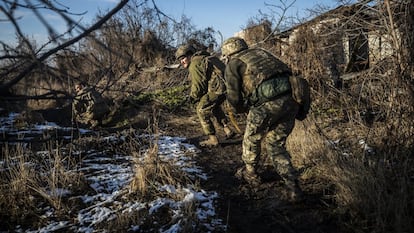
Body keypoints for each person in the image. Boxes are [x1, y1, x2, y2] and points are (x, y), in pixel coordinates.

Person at [221, 37, 302, 200]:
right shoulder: (262, 53)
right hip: (292, 99)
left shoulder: (233, 63)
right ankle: (293, 187)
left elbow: (234, 97)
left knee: (251, 138)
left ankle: (251, 173)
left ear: (228, 53)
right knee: (275, 143)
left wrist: (240, 109)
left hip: (267, 104)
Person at [175, 44, 235, 147]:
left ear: (190, 55)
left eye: (183, 58)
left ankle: (213, 139)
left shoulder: (195, 63)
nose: (182, 61)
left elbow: (199, 87)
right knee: (213, 106)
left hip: (218, 90)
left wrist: (192, 98)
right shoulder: (207, 57)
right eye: (180, 59)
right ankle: (227, 130)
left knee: (201, 109)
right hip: (227, 88)